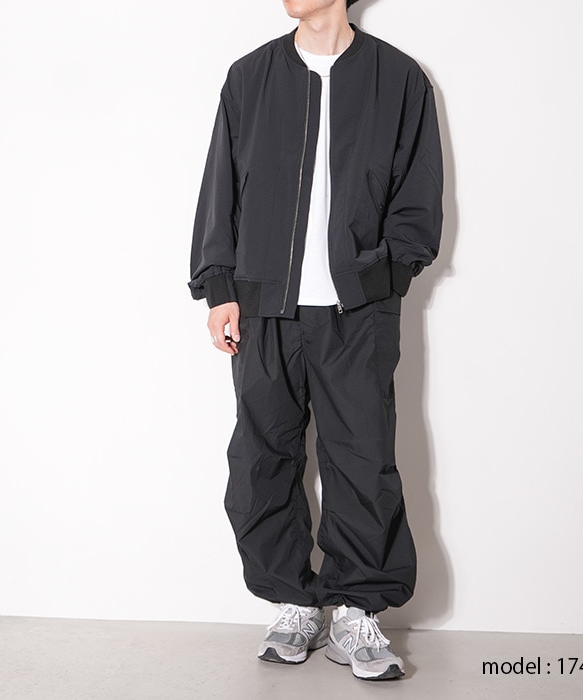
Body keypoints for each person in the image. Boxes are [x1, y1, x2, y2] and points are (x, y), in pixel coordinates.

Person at [188, 0, 443, 682]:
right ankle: (293, 602)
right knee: (261, 459)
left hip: (357, 310)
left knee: (362, 458)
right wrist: (219, 287)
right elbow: (220, 188)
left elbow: (418, 195)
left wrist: (384, 276)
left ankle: (357, 609)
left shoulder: (398, 78)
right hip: (263, 305)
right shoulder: (250, 77)